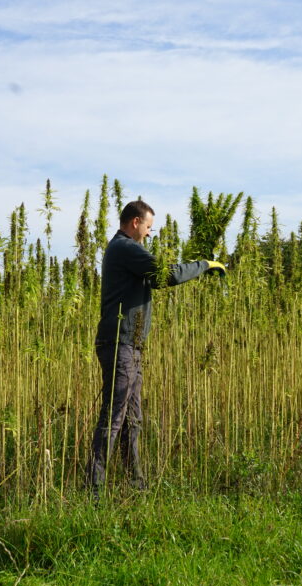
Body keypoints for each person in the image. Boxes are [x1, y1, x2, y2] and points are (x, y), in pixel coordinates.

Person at [86, 199, 226, 495]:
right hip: (120, 343)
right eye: (148, 227)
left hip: (131, 345)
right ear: (135, 222)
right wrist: (204, 265)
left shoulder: (127, 250)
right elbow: (167, 275)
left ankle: (136, 486)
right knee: (114, 416)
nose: (150, 233)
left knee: (132, 419)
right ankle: (93, 490)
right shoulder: (125, 248)